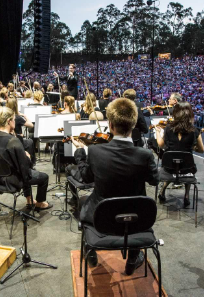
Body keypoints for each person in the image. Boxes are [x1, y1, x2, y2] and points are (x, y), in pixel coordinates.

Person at [70, 98, 159, 275]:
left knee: (82, 200)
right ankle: (133, 258)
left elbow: (85, 178)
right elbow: (154, 180)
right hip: (136, 218)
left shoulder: (95, 151)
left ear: (110, 125)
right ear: (133, 126)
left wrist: (80, 153)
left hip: (103, 219)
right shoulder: (145, 155)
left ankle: (91, 251)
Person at [0, 106, 52, 211]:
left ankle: (29, 200)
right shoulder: (12, 141)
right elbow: (25, 169)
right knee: (43, 177)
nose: (15, 121)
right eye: (14, 119)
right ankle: (40, 203)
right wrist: (27, 157)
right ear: (9, 121)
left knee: (24, 171)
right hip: (13, 180)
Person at [156, 102, 204, 207]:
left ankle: (162, 190)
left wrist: (157, 132)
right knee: (187, 165)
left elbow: (161, 144)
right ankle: (186, 195)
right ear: (190, 114)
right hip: (187, 169)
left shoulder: (168, 128)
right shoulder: (195, 130)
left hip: (169, 167)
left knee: (173, 167)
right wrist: (192, 147)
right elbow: (201, 150)